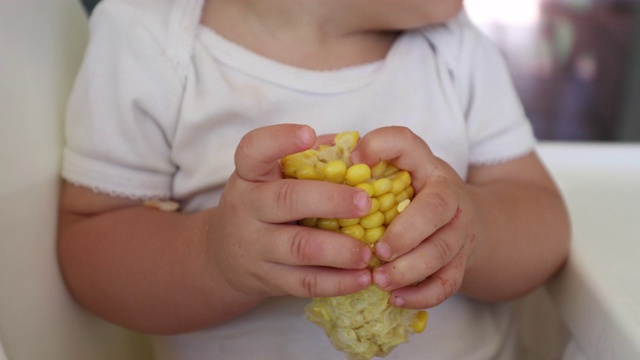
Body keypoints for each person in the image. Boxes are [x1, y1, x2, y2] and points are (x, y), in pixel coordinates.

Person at [57, 0, 571, 359]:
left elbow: (544, 226)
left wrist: (474, 228)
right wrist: (212, 257)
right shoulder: (150, 44)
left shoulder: (458, 51)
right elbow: (88, 248)